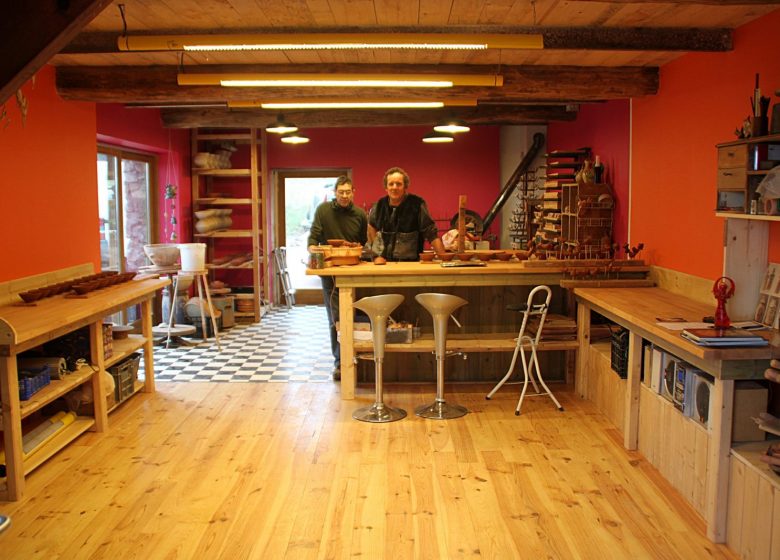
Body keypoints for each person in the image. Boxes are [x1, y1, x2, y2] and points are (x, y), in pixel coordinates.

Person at [307, 176, 368, 381]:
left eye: (348, 191)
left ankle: (360, 357)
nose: (344, 195)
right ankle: (340, 363)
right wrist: (314, 249)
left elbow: (363, 242)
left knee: (358, 314)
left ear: (353, 192)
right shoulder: (323, 210)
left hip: (355, 270)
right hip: (332, 271)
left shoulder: (359, 214)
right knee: (336, 318)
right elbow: (313, 238)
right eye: (341, 191)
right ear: (335, 192)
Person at [367, 167, 445, 261]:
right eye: (391, 184)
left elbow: (430, 232)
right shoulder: (379, 205)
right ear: (386, 187)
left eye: (399, 184)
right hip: (385, 264)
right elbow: (371, 226)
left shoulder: (417, 204)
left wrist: (443, 258)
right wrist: (376, 256)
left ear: (405, 186)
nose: (394, 187)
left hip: (411, 264)